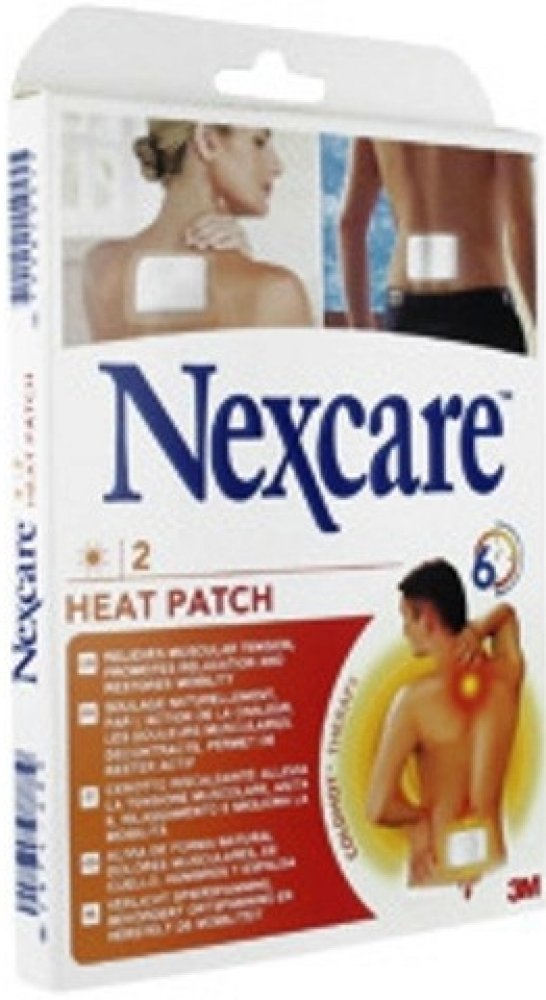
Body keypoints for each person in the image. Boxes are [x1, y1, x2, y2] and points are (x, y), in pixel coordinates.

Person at [366, 559, 525, 892]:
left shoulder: (413, 702)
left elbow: (378, 807)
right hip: (494, 864)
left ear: (426, 618)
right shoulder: (506, 676)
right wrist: (478, 629)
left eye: (406, 618)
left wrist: (420, 820)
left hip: (440, 871)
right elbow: (507, 615)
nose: (404, 630)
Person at [83, 120, 313, 340]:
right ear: (207, 141)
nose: (277, 166)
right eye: (259, 142)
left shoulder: (100, 266)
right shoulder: (275, 291)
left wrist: (241, 261)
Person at [339, 139, 535, 352]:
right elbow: (520, 225)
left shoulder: (378, 118)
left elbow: (350, 225)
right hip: (479, 311)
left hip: (405, 313)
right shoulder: (493, 120)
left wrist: (363, 340)